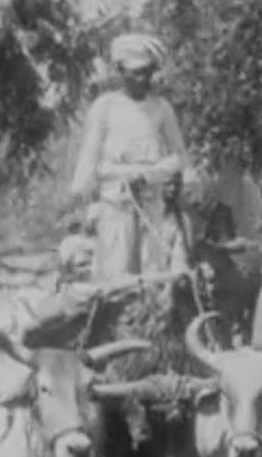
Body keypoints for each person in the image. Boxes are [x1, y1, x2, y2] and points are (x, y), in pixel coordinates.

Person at [70, 33, 192, 282]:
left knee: (153, 272)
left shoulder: (161, 108)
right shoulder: (105, 107)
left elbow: (180, 157)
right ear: (121, 71)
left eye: (147, 72)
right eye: (135, 73)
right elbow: (88, 159)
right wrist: (81, 202)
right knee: (115, 275)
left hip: (151, 203)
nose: (142, 79)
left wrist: (149, 175)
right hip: (115, 204)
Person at [57, 218, 96, 285]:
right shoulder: (79, 239)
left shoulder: (64, 242)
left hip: (68, 272)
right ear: (77, 229)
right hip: (81, 270)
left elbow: (62, 259)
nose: (82, 230)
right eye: (81, 228)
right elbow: (94, 249)